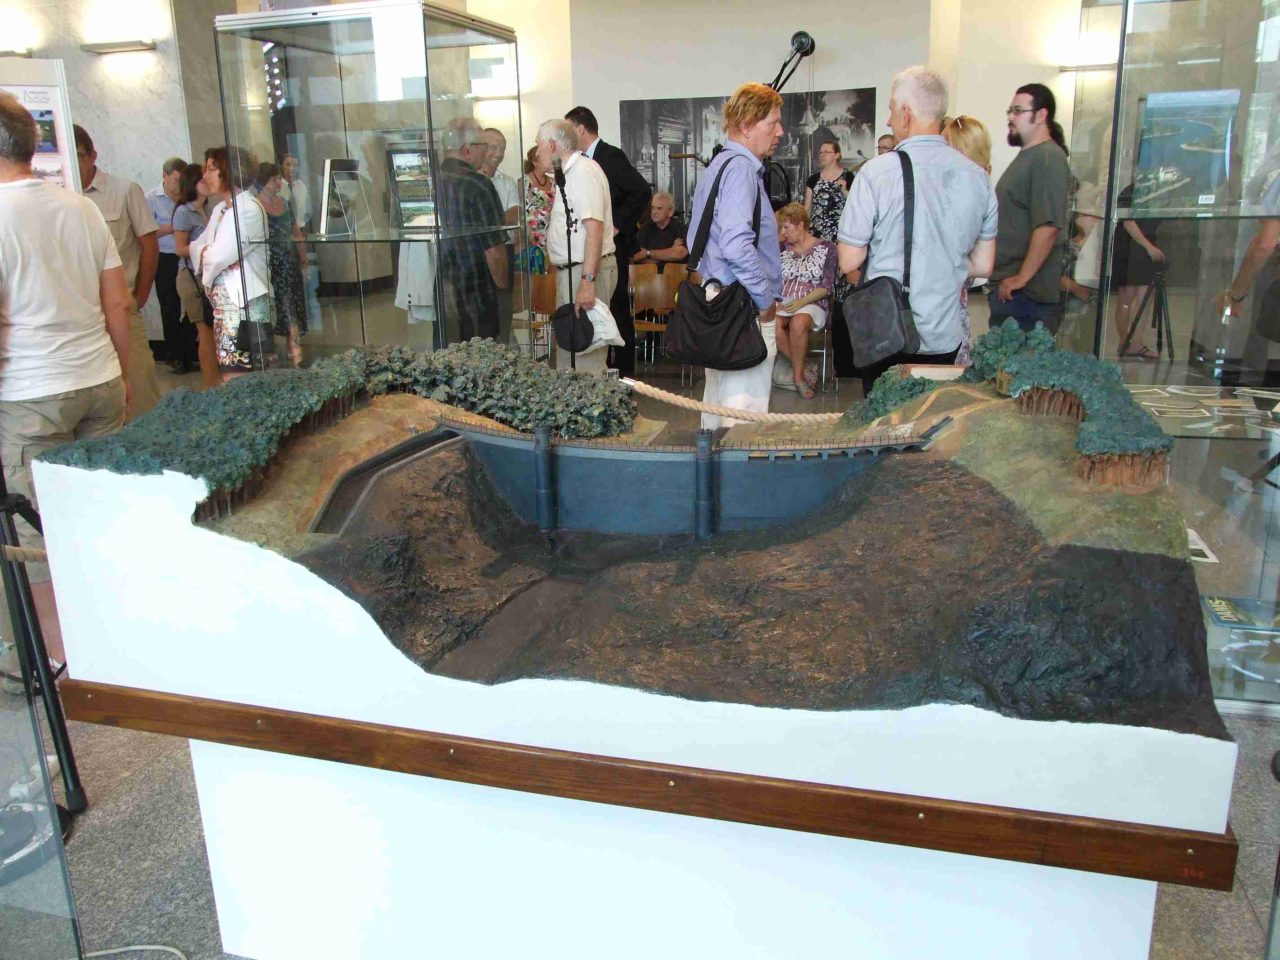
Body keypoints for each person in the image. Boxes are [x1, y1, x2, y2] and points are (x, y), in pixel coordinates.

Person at [0, 92, 131, 583]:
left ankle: (58, 631)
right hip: (100, 379)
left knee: (40, 540)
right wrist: (121, 374)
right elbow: (118, 303)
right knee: (106, 518)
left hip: (31, 395)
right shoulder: (82, 209)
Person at [838, 66, 997, 397]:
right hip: (945, 337)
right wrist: (943, 259)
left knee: (882, 422)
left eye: (891, 111)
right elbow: (983, 266)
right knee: (930, 420)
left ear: (906, 113)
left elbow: (849, 260)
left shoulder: (876, 173)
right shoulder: (977, 178)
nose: (888, 120)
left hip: (888, 334)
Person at [686, 82, 784, 429]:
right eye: (772, 123)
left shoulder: (719, 165)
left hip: (719, 301)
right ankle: (734, 466)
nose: (779, 132)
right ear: (746, 126)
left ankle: (713, 463)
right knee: (743, 415)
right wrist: (765, 300)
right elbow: (736, 244)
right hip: (742, 307)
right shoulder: (741, 170)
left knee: (717, 406)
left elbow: (697, 239)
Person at [75, 124, 161, 420]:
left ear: (92, 156)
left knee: (140, 392)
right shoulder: (58, 197)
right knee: (93, 404)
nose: (74, 164)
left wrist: (140, 295)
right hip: (79, 316)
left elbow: (149, 245)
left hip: (122, 307)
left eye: (79, 156)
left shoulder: (124, 190)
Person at [565, 106, 652, 376]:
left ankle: (624, 377)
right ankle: (606, 373)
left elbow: (641, 190)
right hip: (595, 250)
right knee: (601, 313)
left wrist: (617, 225)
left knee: (617, 312)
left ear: (580, 129)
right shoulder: (580, 162)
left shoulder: (610, 156)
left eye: (569, 130)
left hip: (613, 250)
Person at [536, 118, 617, 376]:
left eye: (539, 146)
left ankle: (590, 402)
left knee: (585, 353)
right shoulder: (568, 174)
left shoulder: (583, 172)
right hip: (572, 271)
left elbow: (594, 228)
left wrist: (587, 281)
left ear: (552, 144)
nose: (537, 153)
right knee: (571, 351)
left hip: (583, 270)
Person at [989, 83, 1071, 333]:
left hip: (1027, 296)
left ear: (1041, 115)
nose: (1011, 117)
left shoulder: (1048, 157)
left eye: (1018, 111)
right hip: (1012, 290)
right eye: (1010, 111)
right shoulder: (1030, 155)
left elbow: (1048, 226)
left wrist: (1021, 278)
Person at [190, 146, 274, 375]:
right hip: (224, 309)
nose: (205, 176)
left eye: (211, 169)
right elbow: (195, 247)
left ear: (229, 171)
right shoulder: (220, 209)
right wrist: (212, 254)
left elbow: (218, 256)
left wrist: (213, 255)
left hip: (246, 306)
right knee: (229, 372)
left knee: (244, 375)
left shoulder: (248, 209)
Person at [436, 117, 508, 344]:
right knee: (482, 356)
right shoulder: (478, 184)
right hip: (477, 291)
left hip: (443, 288)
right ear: (467, 149)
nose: (486, 152)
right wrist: (503, 292)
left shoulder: (431, 182)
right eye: (483, 146)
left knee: (446, 354)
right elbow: (494, 252)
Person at [941, 114, 993, 367]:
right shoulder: (979, 188)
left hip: (944, 307)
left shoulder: (968, 193)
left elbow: (981, 265)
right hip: (949, 304)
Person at [774, 203, 838, 399]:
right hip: (783, 301)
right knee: (771, 323)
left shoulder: (827, 248)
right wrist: (775, 300)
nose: (783, 233)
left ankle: (798, 378)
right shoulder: (780, 248)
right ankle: (804, 366)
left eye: (786, 227)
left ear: (800, 225)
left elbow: (827, 286)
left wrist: (801, 302)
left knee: (799, 321)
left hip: (812, 302)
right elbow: (771, 279)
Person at [147, 156, 198, 374]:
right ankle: (175, 355)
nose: (179, 185)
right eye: (176, 180)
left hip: (188, 255)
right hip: (165, 256)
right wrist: (173, 227)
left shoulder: (187, 198)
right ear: (165, 176)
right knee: (170, 306)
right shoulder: (151, 198)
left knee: (194, 304)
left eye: (182, 180)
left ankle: (188, 350)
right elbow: (146, 231)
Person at [172, 162, 220, 389]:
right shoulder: (184, 212)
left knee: (214, 332)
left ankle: (217, 380)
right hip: (192, 277)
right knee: (205, 331)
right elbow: (179, 248)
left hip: (208, 276)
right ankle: (210, 384)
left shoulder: (210, 210)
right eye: (202, 179)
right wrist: (205, 249)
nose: (207, 182)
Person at [255, 162, 307, 366]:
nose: (278, 182)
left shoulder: (285, 203)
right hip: (270, 263)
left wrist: (303, 260)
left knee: (291, 301)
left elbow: (296, 233)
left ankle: (292, 343)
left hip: (289, 261)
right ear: (264, 182)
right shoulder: (256, 206)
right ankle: (268, 347)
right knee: (272, 304)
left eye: (278, 178)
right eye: (274, 179)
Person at [1108, 184, 1165, 360]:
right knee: (1128, 295)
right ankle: (1125, 341)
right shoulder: (1132, 191)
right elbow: (1128, 221)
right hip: (1130, 244)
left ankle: (1136, 343)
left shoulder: (1159, 190)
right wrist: (1147, 246)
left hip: (1146, 243)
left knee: (1144, 296)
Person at [481, 128, 519, 346]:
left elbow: (514, 214)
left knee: (504, 307)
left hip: (505, 250)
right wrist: (498, 220)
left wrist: (489, 221)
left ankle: (503, 348)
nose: (498, 153)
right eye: (493, 147)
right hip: (482, 253)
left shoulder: (507, 182)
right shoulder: (474, 181)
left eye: (502, 148)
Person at [803, 140, 854, 242]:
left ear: (836, 155)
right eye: (821, 152)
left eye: (826, 152)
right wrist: (804, 229)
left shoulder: (848, 177)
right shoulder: (813, 179)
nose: (822, 155)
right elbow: (807, 208)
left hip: (840, 234)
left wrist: (844, 191)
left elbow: (856, 204)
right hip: (816, 234)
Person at [632, 192, 687, 272]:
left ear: (671, 211)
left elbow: (679, 254)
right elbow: (637, 256)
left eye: (659, 208)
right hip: (648, 275)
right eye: (652, 208)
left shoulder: (680, 228)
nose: (654, 212)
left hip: (675, 275)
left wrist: (648, 253)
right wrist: (670, 252)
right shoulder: (644, 229)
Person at [521, 145, 554, 276]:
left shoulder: (554, 182)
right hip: (532, 237)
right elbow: (519, 210)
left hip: (551, 235)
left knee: (550, 276)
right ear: (535, 161)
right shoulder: (523, 182)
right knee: (536, 274)